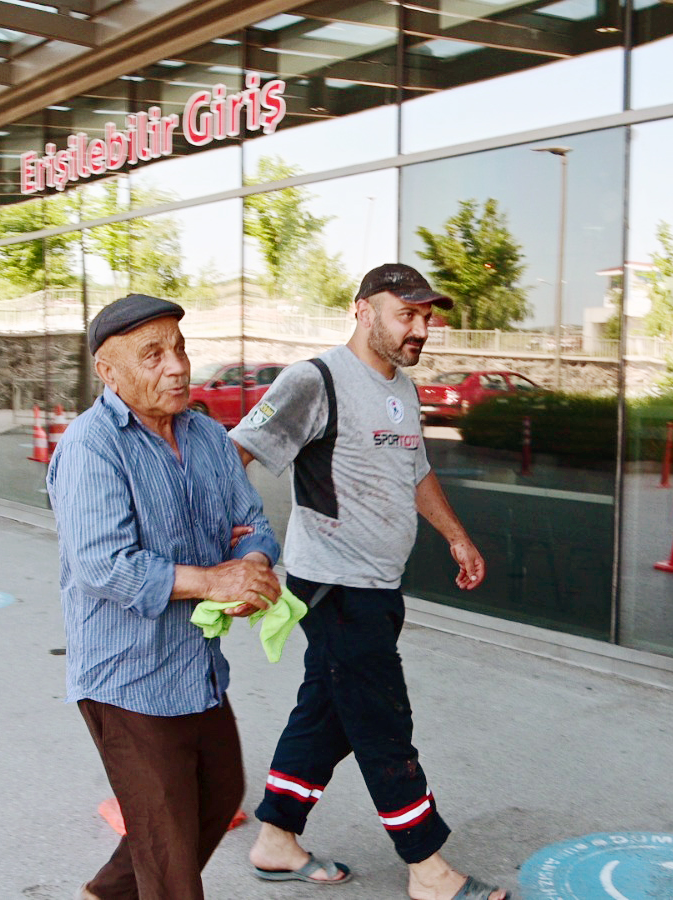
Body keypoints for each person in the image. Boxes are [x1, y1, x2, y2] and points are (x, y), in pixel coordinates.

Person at [230, 263, 509, 900]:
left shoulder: (402, 388)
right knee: (383, 720)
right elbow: (234, 453)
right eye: (405, 313)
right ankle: (427, 867)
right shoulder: (315, 379)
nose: (420, 327)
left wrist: (456, 535)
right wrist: (242, 545)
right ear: (363, 310)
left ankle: (276, 838)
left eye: (425, 315)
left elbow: (415, 471)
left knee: (327, 712)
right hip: (332, 585)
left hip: (378, 586)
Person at [47, 293, 282, 900]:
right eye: (153, 355)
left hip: (196, 668)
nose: (176, 367)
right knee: (174, 865)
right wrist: (212, 580)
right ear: (109, 372)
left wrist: (252, 564)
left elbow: (252, 522)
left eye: (179, 349)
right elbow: (105, 565)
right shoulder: (90, 447)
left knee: (218, 795)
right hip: (125, 677)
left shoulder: (206, 434)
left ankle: (106, 893)